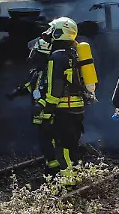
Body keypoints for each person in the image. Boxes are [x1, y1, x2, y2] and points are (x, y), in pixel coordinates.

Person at [21, 17, 92, 177]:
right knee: (71, 144)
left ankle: (68, 182)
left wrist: (46, 106)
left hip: (64, 108)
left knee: (63, 146)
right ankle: (69, 175)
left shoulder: (56, 57)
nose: (48, 34)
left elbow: (55, 87)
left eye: (52, 31)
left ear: (60, 33)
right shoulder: (72, 54)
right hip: (76, 107)